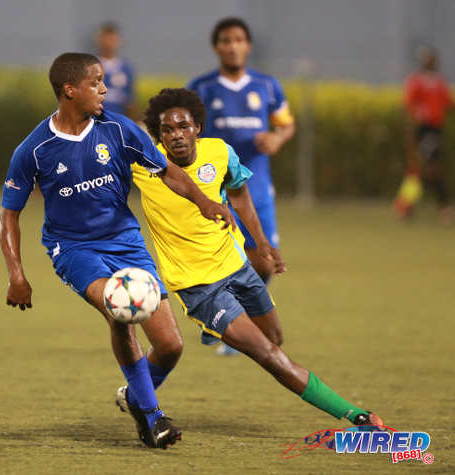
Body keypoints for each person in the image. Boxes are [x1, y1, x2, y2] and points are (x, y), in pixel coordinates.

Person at [0, 53, 235, 449]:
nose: (105, 89)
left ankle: (137, 399)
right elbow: (8, 216)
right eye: (96, 82)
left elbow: (167, 170)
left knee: (171, 346)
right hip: (73, 248)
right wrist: (16, 274)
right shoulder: (35, 149)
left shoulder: (119, 130)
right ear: (70, 90)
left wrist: (204, 201)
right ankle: (152, 418)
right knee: (119, 310)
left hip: (126, 241)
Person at [127, 87, 384, 430]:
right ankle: (356, 416)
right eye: (168, 130)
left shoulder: (220, 152)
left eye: (183, 126)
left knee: (274, 338)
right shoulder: (145, 167)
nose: (177, 135)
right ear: (158, 136)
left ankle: (142, 387)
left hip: (238, 268)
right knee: (270, 355)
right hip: (199, 287)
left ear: (198, 127)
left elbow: (240, 193)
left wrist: (261, 242)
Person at [188, 17, 295, 355]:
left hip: (256, 185)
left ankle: (238, 318)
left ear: (247, 45)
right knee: (216, 258)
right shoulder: (202, 87)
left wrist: (277, 138)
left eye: (238, 39)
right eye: (225, 40)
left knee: (263, 262)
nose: (232, 46)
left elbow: (286, 125)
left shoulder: (266, 86)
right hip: (212, 188)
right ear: (216, 47)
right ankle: (226, 324)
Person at [395, 46, 453, 223]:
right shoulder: (417, 80)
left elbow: (449, 104)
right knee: (420, 168)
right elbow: (408, 105)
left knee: (428, 168)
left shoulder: (439, 82)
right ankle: (408, 206)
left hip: (433, 130)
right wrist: (409, 130)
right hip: (421, 128)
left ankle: (408, 206)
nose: (431, 61)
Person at [96, 22, 138, 119]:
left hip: (118, 120)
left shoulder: (126, 68)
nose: (109, 43)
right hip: (95, 121)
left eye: (112, 39)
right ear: (99, 40)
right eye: (106, 39)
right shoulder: (91, 66)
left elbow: (130, 101)